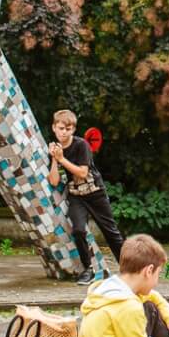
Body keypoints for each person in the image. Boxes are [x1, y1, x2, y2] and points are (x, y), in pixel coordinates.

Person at [51, 109, 123, 282]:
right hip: (76, 196)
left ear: (73, 130)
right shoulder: (57, 150)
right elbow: (54, 181)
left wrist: (61, 159)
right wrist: (54, 159)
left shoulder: (81, 145)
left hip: (95, 193)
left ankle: (129, 268)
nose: (63, 132)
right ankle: (88, 270)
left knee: (111, 232)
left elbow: (82, 173)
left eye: (67, 129)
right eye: (60, 128)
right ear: (54, 128)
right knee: (78, 230)